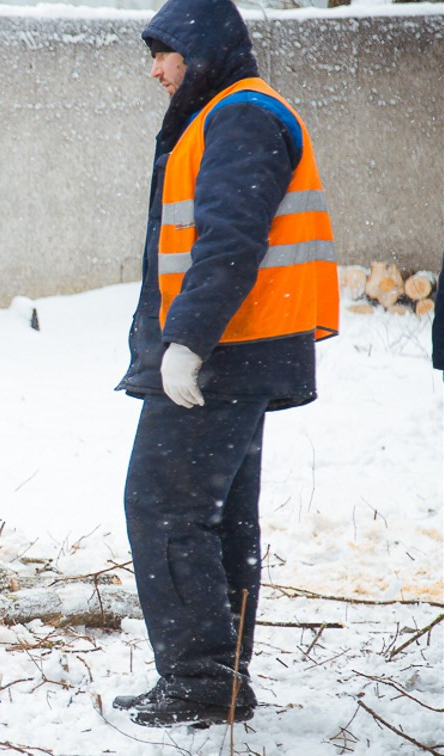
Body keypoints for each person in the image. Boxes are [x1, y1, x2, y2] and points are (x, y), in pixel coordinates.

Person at [113, 0, 338, 728]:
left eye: (163, 54)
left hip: (223, 354)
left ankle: (200, 680)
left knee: (163, 508)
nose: (154, 70)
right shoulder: (235, 111)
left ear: (199, 50)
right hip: (240, 350)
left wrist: (187, 342)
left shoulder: (237, 116)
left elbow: (229, 237)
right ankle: (217, 672)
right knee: (217, 515)